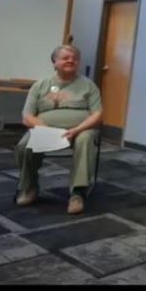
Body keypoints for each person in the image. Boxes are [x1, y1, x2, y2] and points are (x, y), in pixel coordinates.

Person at [15, 45, 103, 215]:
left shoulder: (89, 86)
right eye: (65, 58)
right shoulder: (40, 85)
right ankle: (29, 186)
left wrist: (77, 129)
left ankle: (78, 193)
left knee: (85, 139)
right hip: (47, 130)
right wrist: (47, 131)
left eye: (75, 58)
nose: (71, 60)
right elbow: (27, 116)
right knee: (24, 146)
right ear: (54, 62)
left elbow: (97, 114)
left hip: (80, 130)